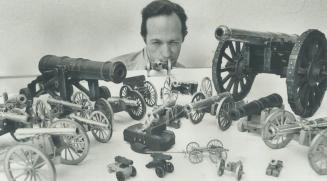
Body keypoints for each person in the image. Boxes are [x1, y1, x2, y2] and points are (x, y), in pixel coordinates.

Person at [110, 0, 188, 70]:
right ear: (144, 39)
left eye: (173, 42)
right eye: (156, 43)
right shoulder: (112, 71)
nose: (166, 54)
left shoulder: (188, 75)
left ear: (183, 38)